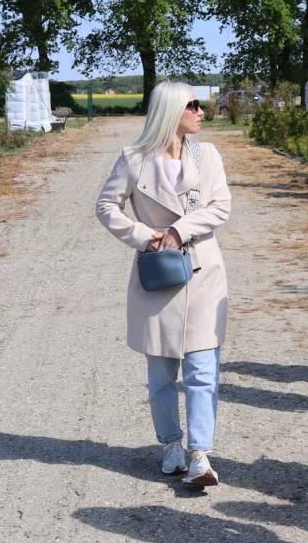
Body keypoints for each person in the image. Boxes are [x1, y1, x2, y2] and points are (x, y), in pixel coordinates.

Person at [95, 81, 232, 487]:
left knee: (203, 370)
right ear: (172, 111)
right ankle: (171, 445)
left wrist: (179, 229)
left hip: (202, 272)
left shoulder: (208, 156)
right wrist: (142, 235)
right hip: (157, 275)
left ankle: (200, 454)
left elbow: (221, 206)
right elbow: (106, 205)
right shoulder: (133, 159)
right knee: (161, 373)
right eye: (193, 105)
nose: (201, 111)